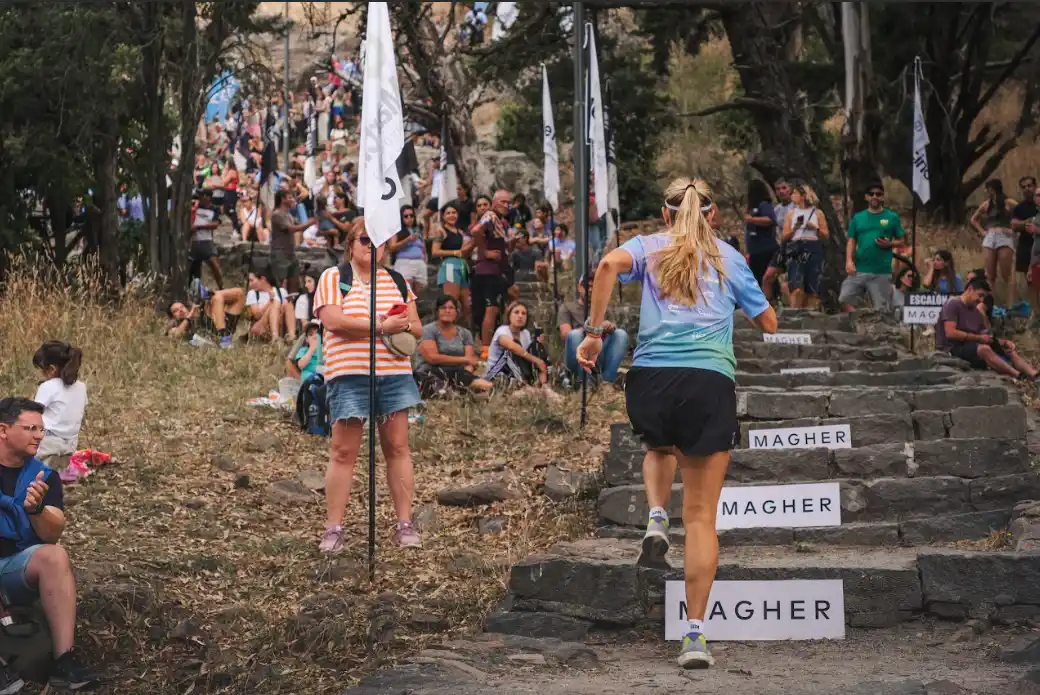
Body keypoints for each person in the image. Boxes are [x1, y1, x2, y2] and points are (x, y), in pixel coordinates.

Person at [576, 177, 776, 669]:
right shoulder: (730, 258)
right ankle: (694, 635)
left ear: (666, 214)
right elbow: (769, 324)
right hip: (708, 382)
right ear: (712, 215)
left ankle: (656, 515)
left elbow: (606, 266)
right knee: (704, 518)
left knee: (659, 445)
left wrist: (594, 333)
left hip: (652, 379)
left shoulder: (647, 247)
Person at [313, 218, 424, 552]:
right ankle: (334, 528)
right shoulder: (334, 277)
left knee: (398, 447)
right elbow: (332, 320)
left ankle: (404, 523)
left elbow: (417, 328)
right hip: (349, 376)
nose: (371, 246)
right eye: (365, 239)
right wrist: (381, 325)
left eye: (379, 241)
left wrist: (400, 323)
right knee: (344, 451)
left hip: (394, 375)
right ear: (351, 243)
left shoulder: (397, 280)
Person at [0, 397, 100, 690]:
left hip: (12, 565)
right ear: (3, 430)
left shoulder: (43, 476)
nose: (39, 436)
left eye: (41, 430)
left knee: (55, 556)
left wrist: (36, 510)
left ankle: (64, 661)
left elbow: (52, 533)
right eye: (30, 428)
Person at [937, 278, 1038, 381]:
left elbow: (985, 335)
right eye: (979, 295)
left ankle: (1034, 374)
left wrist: (1002, 342)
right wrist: (979, 338)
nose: (980, 300)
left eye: (983, 297)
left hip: (971, 346)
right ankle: (1017, 375)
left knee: (1008, 350)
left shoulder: (976, 312)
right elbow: (950, 333)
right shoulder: (952, 304)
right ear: (970, 289)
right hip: (953, 348)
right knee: (984, 349)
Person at [839, 183, 904, 312]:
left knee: (881, 309)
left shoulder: (892, 217)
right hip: (859, 268)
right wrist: (848, 261)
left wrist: (890, 244)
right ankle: (859, 321)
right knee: (844, 298)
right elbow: (851, 240)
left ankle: (879, 331)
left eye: (878, 194)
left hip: (881, 270)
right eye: (871, 194)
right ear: (866, 197)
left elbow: (902, 241)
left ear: (883, 197)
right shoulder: (858, 218)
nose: (875, 196)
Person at [557, 274, 629, 387]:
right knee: (575, 335)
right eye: (587, 286)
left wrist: (609, 326)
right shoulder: (567, 307)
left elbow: (614, 329)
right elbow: (566, 335)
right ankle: (583, 382)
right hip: (576, 356)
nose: (590, 289)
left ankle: (607, 383)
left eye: (594, 286)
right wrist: (592, 328)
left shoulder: (604, 308)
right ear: (579, 287)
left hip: (599, 354)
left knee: (621, 334)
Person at [415, 296, 493, 396]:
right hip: (430, 371)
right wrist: (465, 360)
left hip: (457, 373)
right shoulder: (428, 330)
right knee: (434, 384)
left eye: (451, 308)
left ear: (457, 312)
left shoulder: (465, 333)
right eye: (443, 308)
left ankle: (489, 388)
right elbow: (432, 358)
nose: (447, 311)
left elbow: (470, 361)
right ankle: (454, 392)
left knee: (468, 380)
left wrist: (466, 374)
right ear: (437, 312)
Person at [31, 343, 86, 469]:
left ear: (51, 369)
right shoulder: (81, 387)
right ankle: (60, 462)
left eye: (42, 369)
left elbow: (34, 413)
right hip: (71, 443)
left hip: (48, 441)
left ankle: (45, 460)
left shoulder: (48, 386)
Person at [471, 191, 512, 350]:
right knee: (491, 310)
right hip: (488, 270)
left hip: (492, 271)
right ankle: (486, 350)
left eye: (508, 202)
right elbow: (476, 231)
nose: (506, 205)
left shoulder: (499, 221)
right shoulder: (491, 215)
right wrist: (485, 252)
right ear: (494, 203)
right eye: (503, 202)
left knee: (492, 309)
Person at [971, 178, 1018, 311]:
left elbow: (1022, 212)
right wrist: (982, 232)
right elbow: (973, 219)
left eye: (989, 188)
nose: (988, 191)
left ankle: (1010, 305)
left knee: (1006, 273)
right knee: (990, 274)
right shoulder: (986, 204)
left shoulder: (1009, 203)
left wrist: (1016, 229)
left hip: (1005, 234)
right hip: (990, 236)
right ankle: (993, 305)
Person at [781, 183, 829, 309]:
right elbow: (784, 237)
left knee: (812, 288)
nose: (792, 196)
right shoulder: (791, 214)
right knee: (796, 286)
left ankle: (811, 315)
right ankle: (794, 313)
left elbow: (825, 236)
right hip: (796, 248)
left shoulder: (817, 213)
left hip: (813, 247)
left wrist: (815, 228)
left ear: (803, 196)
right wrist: (795, 228)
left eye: (795, 193)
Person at [484, 301, 550, 390]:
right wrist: (536, 360)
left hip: (516, 371)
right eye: (516, 312)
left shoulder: (525, 334)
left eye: (523, 313)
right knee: (514, 348)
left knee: (536, 346)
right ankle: (524, 384)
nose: (520, 316)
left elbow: (529, 354)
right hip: (497, 373)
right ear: (509, 315)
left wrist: (539, 359)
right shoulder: (502, 331)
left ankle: (543, 385)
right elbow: (512, 347)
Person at [167, 285, 247, 350]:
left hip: (223, 328)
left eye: (181, 307)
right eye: (176, 310)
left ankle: (207, 293)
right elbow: (175, 334)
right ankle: (207, 293)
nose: (180, 310)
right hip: (215, 336)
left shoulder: (198, 310)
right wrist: (189, 315)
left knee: (240, 293)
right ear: (173, 317)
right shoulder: (177, 327)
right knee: (216, 297)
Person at [270, 190, 315, 294]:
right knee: (280, 286)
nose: (292, 199)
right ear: (283, 199)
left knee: (294, 281)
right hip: (280, 254)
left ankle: (292, 303)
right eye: (290, 197)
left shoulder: (288, 215)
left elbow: (299, 227)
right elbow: (292, 229)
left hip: (291, 253)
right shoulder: (277, 214)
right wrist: (309, 223)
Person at [432, 202, 472, 312]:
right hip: (449, 266)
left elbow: (464, 251)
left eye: (454, 212)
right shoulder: (441, 231)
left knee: (466, 307)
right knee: (450, 302)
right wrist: (455, 253)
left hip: (462, 267)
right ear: (443, 216)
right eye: (448, 213)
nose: (451, 215)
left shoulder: (460, 232)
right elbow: (435, 252)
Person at [761, 179, 793, 303]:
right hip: (782, 247)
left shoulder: (796, 206)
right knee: (767, 277)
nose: (781, 191)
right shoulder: (777, 209)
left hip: (797, 247)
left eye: (784, 188)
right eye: (778, 189)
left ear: (790, 189)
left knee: (790, 284)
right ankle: (768, 308)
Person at [743, 179, 778, 287]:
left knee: (765, 277)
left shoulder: (764, 205)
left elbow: (770, 220)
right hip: (755, 250)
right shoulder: (752, 208)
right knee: (756, 279)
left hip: (765, 248)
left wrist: (752, 220)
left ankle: (774, 298)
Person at [1011, 176, 1038, 316]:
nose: (1027, 189)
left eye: (1029, 185)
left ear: (1035, 186)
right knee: (1030, 282)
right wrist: (1026, 222)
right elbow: (1013, 225)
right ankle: (1035, 313)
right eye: (1024, 187)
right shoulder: (1020, 208)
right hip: (1026, 246)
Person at [246, 269, 296, 342]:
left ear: (262, 279)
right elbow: (257, 315)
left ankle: (291, 336)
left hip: (280, 324)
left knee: (288, 303)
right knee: (275, 303)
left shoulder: (281, 291)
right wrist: (270, 302)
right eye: (249, 281)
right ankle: (275, 337)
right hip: (262, 327)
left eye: (252, 280)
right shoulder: (252, 293)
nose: (250, 284)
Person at [189, 189, 224, 290]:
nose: (199, 198)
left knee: (215, 265)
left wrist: (200, 226)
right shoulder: (194, 206)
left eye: (201, 196)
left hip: (207, 240)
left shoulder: (214, 209)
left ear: (208, 197)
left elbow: (216, 224)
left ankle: (222, 289)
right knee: (191, 268)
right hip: (193, 241)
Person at [389, 206, 427, 293]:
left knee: (419, 296)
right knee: (407, 294)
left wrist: (425, 258)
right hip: (404, 262)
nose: (409, 218)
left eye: (411, 215)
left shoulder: (417, 229)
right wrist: (407, 240)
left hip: (419, 263)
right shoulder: (396, 230)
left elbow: (423, 246)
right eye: (406, 216)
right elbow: (392, 247)